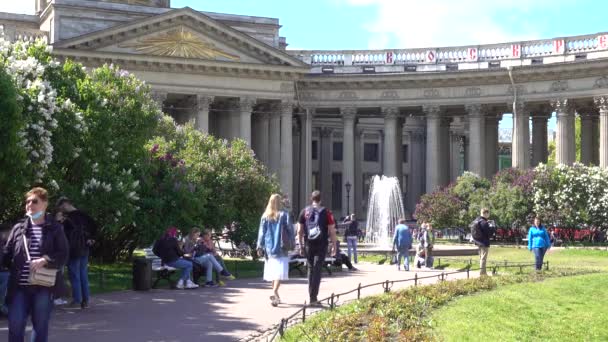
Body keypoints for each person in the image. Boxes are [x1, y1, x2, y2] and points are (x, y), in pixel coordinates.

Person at [1, 187, 69, 342]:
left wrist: (45, 260)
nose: (29, 205)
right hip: (19, 287)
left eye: (34, 201)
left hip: (43, 287)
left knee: (40, 327)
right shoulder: (19, 228)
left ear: (44, 204)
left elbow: (63, 254)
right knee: (15, 325)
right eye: (27, 202)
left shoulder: (55, 228)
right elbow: (6, 254)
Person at [297, 190, 338, 306]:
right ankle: (314, 297)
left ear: (311, 199)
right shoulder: (327, 213)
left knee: (310, 269)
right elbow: (332, 231)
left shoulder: (304, 212)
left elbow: (299, 231)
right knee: (318, 269)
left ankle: (311, 296)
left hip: (309, 244)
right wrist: (334, 246)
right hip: (322, 244)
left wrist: (300, 246)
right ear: (320, 200)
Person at [56, 197, 98, 309]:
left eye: (60, 207)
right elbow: (94, 226)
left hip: (73, 249)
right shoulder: (83, 215)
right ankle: (86, 300)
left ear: (64, 204)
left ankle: (77, 300)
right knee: (83, 274)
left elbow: (59, 232)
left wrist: (59, 221)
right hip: (84, 247)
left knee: (74, 274)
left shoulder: (68, 218)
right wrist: (92, 238)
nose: (60, 210)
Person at [256, 194, 293, 307]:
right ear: (279, 203)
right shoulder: (284, 215)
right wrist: (292, 242)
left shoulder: (265, 216)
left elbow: (261, 233)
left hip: (269, 249)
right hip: (281, 248)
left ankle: (276, 298)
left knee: (273, 272)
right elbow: (290, 229)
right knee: (278, 274)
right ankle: (274, 292)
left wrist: (259, 246)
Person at [471, 208, 492, 276]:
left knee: (481, 257)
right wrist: (492, 228)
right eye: (488, 213)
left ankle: (482, 272)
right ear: (485, 213)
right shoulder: (484, 222)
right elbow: (489, 233)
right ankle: (483, 273)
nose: (488, 215)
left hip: (477, 241)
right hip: (484, 242)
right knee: (483, 258)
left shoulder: (476, 220)